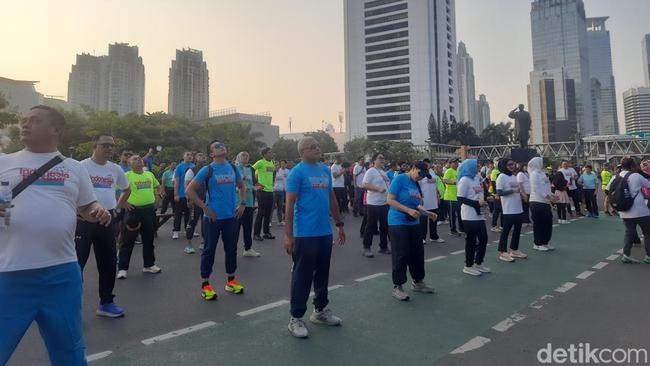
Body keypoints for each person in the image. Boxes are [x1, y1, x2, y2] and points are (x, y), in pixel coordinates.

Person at [0, 105, 112, 366]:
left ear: (56, 130)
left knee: (69, 351)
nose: (24, 124)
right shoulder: (4, 162)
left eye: (34, 120)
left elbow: (86, 206)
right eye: (23, 120)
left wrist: (96, 210)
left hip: (62, 274)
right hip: (11, 274)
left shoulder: (74, 167)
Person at [284, 137, 346, 338]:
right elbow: (289, 205)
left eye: (318, 146)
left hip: (324, 232)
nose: (318, 148)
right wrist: (288, 236)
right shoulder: (297, 173)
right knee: (302, 276)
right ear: (302, 152)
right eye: (313, 147)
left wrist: (339, 224)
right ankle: (296, 318)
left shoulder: (323, 170)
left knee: (322, 273)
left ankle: (320, 311)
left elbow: (331, 199)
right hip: (304, 234)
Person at [76, 135, 129, 318]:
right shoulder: (81, 167)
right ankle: (72, 307)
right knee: (76, 265)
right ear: (94, 146)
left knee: (108, 263)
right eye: (105, 145)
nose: (109, 149)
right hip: (83, 221)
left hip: (107, 221)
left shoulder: (115, 169)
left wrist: (118, 207)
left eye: (112, 146)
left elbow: (126, 189)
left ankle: (106, 303)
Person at [187, 141, 247, 301]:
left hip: (230, 217)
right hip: (212, 218)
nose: (221, 146)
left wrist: (242, 203)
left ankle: (231, 281)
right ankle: (205, 284)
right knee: (209, 250)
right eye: (217, 146)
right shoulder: (208, 170)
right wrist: (205, 208)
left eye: (222, 145)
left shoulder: (233, 168)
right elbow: (189, 190)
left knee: (231, 249)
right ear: (211, 154)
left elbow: (242, 186)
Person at [387, 161, 436, 301]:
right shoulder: (400, 179)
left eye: (423, 176)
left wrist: (427, 213)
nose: (420, 177)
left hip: (413, 222)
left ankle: (418, 282)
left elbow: (416, 205)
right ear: (413, 168)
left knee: (417, 252)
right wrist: (408, 210)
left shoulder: (416, 184)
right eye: (420, 174)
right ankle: (398, 286)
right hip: (397, 221)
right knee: (401, 253)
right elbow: (390, 200)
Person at [117, 154, 163, 279]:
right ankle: (122, 268)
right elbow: (115, 189)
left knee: (149, 239)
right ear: (129, 163)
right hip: (133, 212)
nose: (138, 160)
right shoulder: (127, 176)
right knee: (128, 241)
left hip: (149, 211)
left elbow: (157, 186)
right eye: (134, 159)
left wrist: (159, 196)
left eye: (139, 158)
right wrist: (122, 203)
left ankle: (149, 265)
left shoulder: (149, 174)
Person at [610, 157, 650, 264]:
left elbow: (608, 190)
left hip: (624, 210)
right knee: (647, 232)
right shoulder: (636, 176)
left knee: (629, 233)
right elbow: (648, 184)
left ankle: (626, 255)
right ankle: (648, 256)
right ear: (633, 165)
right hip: (640, 210)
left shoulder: (616, 176)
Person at [456, 159, 490, 276]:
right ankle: (468, 265)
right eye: (476, 166)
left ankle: (478, 263)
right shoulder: (464, 180)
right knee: (471, 240)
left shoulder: (476, 178)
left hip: (479, 214)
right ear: (469, 167)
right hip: (469, 215)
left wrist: (485, 200)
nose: (479, 167)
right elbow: (460, 198)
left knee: (484, 238)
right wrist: (476, 203)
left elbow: (479, 193)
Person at [496, 158, 527, 262]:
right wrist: (513, 190)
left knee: (517, 230)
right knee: (506, 231)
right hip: (508, 209)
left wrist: (522, 195)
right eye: (509, 164)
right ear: (504, 166)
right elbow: (499, 193)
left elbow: (519, 189)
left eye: (513, 164)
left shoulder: (514, 176)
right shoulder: (501, 177)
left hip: (517, 207)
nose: (512, 166)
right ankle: (502, 252)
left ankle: (514, 250)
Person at [361, 153, 392, 257]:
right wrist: (378, 189)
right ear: (374, 160)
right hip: (373, 203)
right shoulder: (370, 171)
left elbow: (388, 186)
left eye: (383, 158)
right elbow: (365, 184)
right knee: (370, 225)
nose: (382, 160)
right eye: (380, 158)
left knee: (384, 226)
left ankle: (383, 247)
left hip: (385, 203)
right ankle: (366, 247)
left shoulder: (383, 172)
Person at [235, 151, 260, 257]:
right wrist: (251, 188)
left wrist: (254, 189)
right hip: (237, 202)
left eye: (247, 155)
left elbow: (252, 184)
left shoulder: (250, 169)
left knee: (248, 226)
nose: (245, 157)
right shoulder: (234, 169)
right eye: (243, 155)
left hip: (249, 202)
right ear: (238, 157)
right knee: (235, 227)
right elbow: (236, 185)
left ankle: (248, 248)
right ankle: (232, 248)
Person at [528, 157, 557, 252]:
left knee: (548, 222)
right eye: (541, 162)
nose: (542, 164)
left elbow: (546, 187)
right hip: (536, 201)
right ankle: (537, 243)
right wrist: (548, 197)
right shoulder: (533, 174)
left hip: (545, 202)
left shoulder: (542, 173)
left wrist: (552, 195)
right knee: (539, 223)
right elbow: (536, 188)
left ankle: (545, 242)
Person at [183, 153, 208, 254]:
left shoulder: (208, 170)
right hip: (195, 200)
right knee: (192, 222)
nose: (202, 157)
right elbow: (187, 186)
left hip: (206, 201)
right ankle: (188, 245)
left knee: (205, 222)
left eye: (204, 155)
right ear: (195, 159)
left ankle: (203, 242)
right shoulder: (191, 170)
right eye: (200, 155)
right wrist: (189, 200)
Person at [418, 159, 444, 244]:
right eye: (426, 164)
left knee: (434, 219)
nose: (427, 165)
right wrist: (420, 198)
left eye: (428, 163)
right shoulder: (420, 174)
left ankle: (434, 236)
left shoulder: (432, 172)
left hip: (433, 200)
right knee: (423, 221)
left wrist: (437, 196)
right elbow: (418, 187)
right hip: (424, 201)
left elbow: (435, 185)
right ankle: (422, 237)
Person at [252, 147, 276, 241]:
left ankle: (266, 232)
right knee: (261, 213)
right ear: (264, 154)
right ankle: (256, 234)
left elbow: (273, 173)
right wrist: (256, 183)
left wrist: (272, 182)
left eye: (272, 152)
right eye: (270, 152)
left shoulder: (272, 163)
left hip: (270, 191)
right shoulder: (260, 162)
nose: (272, 154)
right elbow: (251, 170)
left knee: (268, 213)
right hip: (262, 191)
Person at [172, 151, 195, 239]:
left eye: (191, 155)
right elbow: (176, 181)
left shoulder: (194, 167)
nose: (190, 156)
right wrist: (176, 194)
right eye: (187, 155)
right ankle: (176, 231)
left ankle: (187, 229)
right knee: (178, 213)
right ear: (183, 156)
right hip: (181, 194)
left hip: (191, 195)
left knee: (188, 213)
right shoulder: (179, 167)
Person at [443, 158, 463, 236]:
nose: (456, 164)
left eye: (457, 162)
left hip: (457, 196)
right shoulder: (449, 171)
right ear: (450, 164)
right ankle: (453, 230)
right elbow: (444, 180)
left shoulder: (457, 171)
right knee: (452, 215)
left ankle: (461, 228)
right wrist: (454, 182)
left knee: (460, 213)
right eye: (454, 163)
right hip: (450, 196)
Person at [274, 160, 290, 224]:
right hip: (274, 191)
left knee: (281, 206)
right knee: (272, 207)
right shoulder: (273, 172)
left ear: (286, 164)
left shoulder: (287, 171)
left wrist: (285, 188)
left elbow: (285, 181)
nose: (281, 165)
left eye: (283, 163)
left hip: (283, 190)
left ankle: (281, 220)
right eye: (280, 164)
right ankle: (269, 221)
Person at [489, 158, 503, 232]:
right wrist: (496, 194)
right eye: (497, 161)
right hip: (496, 194)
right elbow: (493, 183)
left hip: (501, 193)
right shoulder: (494, 171)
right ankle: (494, 226)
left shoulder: (501, 171)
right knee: (497, 209)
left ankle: (502, 225)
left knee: (502, 210)